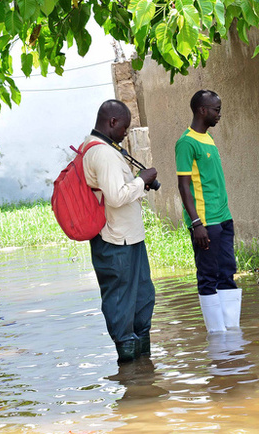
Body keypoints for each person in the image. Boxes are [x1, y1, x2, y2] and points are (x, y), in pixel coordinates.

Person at [82, 99, 158, 363]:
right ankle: (131, 373)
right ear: (112, 122)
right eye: (124, 128)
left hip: (128, 238)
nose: (126, 133)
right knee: (122, 308)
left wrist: (137, 184)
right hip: (115, 241)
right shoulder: (102, 153)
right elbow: (115, 196)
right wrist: (142, 180)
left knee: (142, 300)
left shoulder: (103, 148)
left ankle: (143, 371)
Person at [175, 90, 242, 333]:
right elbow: (183, 186)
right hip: (205, 222)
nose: (219, 114)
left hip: (223, 219)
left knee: (227, 273)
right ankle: (217, 338)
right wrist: (196, 223)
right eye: (216, 109)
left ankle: (232, 336)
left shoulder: (208, 139)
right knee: (208, 277)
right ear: (202, 110)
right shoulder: (186, 143)